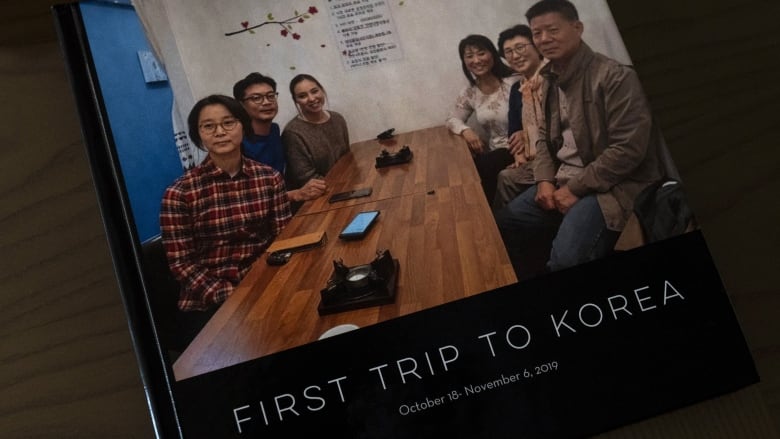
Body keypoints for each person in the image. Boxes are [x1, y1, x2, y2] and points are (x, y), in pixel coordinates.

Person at [495, 0, 662, 279]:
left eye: (552, 30)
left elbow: (628, 150)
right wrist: (544, 180)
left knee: (566, 260)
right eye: (537, 33)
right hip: (565, 178)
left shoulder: (614, 76)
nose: (544, 39)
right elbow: (545, 139)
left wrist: (574, 188)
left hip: (614, 185)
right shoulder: (549, 78)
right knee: (504, 223)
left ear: (577, 28)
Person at [160, 94, 292, 344]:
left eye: (228, 123)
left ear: (243, 125)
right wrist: (231, 294)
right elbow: (181, 264)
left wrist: (272, 284)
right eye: (208, 126)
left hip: (264, 285)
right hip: (208, 300)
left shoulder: (269, 178)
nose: (220, 132)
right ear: (198, 135)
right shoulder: (179, 193)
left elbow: (283, 239)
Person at [445, 34, 519, 203]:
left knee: (481, 167)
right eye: (469, 56)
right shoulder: (470, 92)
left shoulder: (514, 81)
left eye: (481, 53)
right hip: (497, 151)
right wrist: (466, 130)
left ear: (492, 54)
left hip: (519, 147)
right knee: (464, 165)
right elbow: (451, 119)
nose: (476, 60)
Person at [233, 72, 327, 203]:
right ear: (241, 105)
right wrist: (295, 194)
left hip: (285, 206)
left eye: (271, 96)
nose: (266, 102)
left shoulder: (274, 130)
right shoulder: (237, 143)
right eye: (256, 98)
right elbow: (246, 197)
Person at [492, 24, 548, 210]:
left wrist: (530, 136)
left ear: (537, 46)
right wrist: (518, 155)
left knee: (505, 180)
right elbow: (514, 128)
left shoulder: (553, 79)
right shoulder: (518, 89)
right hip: (533, 158)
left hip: (555, 158)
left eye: (520, 48)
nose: (515, 56)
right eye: (508, 52)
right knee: (505, 176)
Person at [281, 74, 350, 192]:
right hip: (318, 196)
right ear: (296, 101)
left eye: (314, 91)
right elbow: (307, 178)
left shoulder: (337, 118)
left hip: (346, 185)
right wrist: (339, 187)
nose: (312, 98)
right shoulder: (292, 133)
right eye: (302, 96)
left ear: (322, 90)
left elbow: (347, 158)